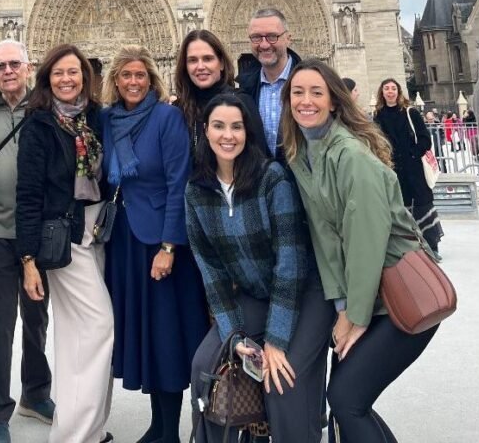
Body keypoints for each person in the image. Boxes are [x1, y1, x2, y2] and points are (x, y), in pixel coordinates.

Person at [281, 59, 440, 443]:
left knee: (346, 399)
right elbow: (326, 240)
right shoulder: (306, 156)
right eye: (297, 93)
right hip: (368, 299)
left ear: (334, 102)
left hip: (402, 296)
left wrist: (354, 316)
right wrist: (340, 305)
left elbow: (365, 240)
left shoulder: (350, 156)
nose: (305, 101)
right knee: (349, 403)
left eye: (316, 92)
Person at [186, 92, 333, 442]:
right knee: (205, 365)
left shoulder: (272, 179)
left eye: (237, 127)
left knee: (282, 383)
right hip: (256, 295)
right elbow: (212, 273)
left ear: (249, 133)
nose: (228, 135)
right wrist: (235, 335)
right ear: (205, 131)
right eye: (219, 126)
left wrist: (276, 341)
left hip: (306, 293)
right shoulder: (196, 191)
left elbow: (291, 263)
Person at [101, 45, 209, 443]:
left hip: (161, 245)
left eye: (140, 75)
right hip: (126, 240)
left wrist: (169, 246)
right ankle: (157, 426)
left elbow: (178, 182)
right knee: (144, 333)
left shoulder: (167, 118)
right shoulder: (108, 120)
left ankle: (169, 432)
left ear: (151, 79)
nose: (133, 82)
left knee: (166, 334)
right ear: (115, 80)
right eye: (126, 75)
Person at [16, 44, 113, 443]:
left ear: (86, 76)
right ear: (46, 79)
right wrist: (27, 259)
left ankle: (84, 430)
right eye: (58, 73)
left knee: (77, 338)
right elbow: (28, 194)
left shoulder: (93, 119)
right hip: (64, 238)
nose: (67, 80)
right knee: (99, 326)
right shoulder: (38, 125)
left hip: (96, 233)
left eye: (73, 72)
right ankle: (77, 434)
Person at [0, 39, 53, 443]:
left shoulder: (44, 109)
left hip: (36, 231)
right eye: (0, 66)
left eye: (15, 64)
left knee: (37, 319)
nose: (8, 71)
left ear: (29, 67)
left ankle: (36, 393)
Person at [374, 78, 443, 255]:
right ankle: (410, 246)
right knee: (401, 204)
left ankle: (431, 244)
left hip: (414, 167)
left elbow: (425, 138)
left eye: (393, 88)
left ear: (399, 92)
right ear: (382, 93)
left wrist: (413, 154)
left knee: (422, 203)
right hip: (393, 167)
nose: (390, 91)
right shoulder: (378, 115)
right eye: (386, 88)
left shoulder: (410, 112)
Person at [173, 29, 268, 152]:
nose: (200, 66)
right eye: (192, 60)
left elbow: (258, 157)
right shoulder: (178, 110)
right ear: (185, 67)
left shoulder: (242, 102)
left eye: (208, 59)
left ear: (221, 63)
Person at [237, 8, 301, 161]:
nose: (264, 45)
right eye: (256, 37)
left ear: (288, 38)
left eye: (272, 36)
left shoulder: (313, 83)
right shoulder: (243, 90)